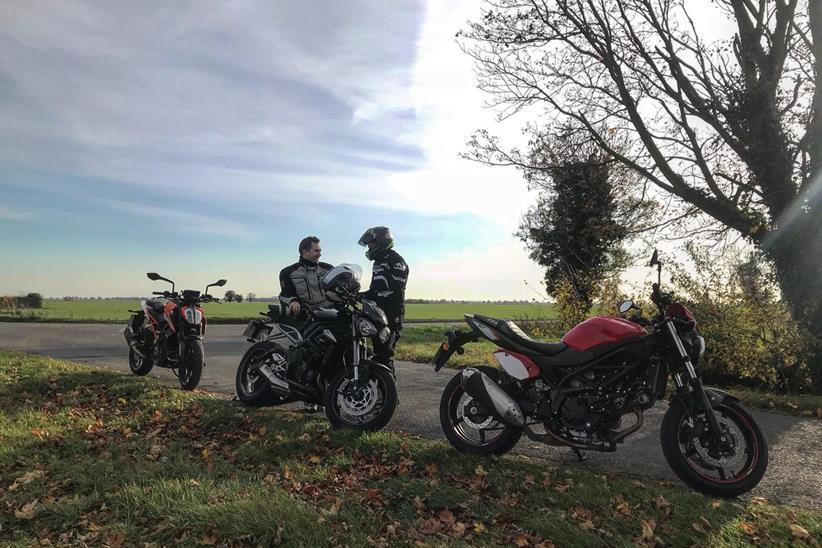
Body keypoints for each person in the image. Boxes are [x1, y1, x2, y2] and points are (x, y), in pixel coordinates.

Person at [358, 226, 408, 370]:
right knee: (376, 353)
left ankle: (389, 390)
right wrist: (359, 296)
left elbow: (395, 291)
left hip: (391, 313)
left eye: (370, 242)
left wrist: (370, 297)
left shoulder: (396, 260)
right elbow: (376, 290)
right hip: (377, 312)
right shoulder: (378, 261)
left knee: (385, 355)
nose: (368, 246)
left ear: (381, 241)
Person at [278, 236, 334, 319]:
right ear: (305, 252)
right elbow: (286, 293)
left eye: (320, 251)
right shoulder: (288, 272)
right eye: (316, 251)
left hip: (332, 313)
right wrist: (293, 301)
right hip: (306, 317)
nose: (320, 254)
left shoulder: (328, 269)